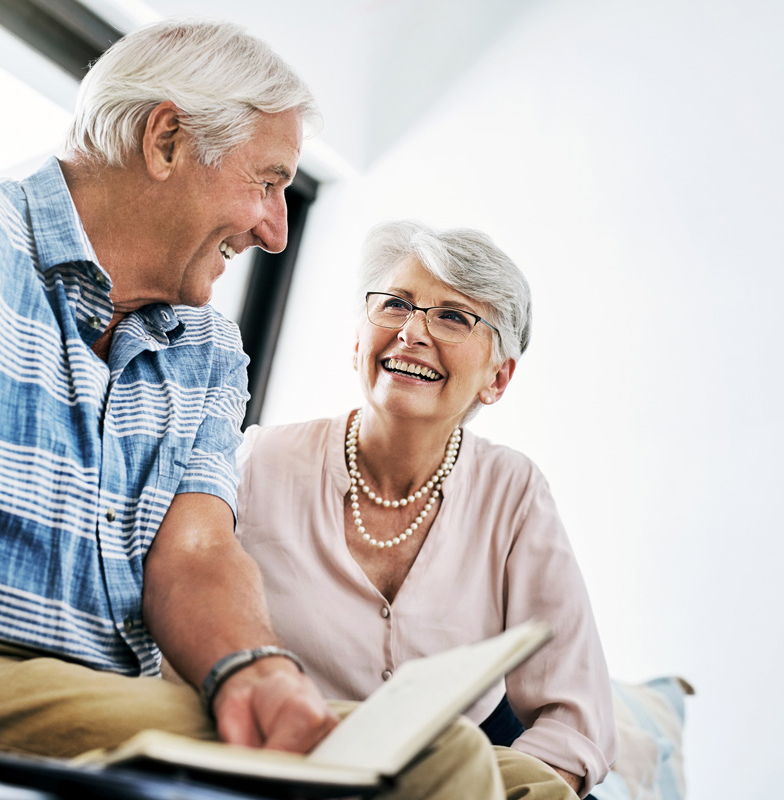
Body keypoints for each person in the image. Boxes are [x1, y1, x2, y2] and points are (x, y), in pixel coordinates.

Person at [0, 20, 506, 800]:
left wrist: (254, 667)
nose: (274, 231)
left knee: (521, 779)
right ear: (166, 141)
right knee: (435, 763)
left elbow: (196, 553)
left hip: (87, 689)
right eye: (267, 182)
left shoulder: (209, 348)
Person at [236, 220, 619, 798]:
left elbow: (576, 717)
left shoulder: (514, 490)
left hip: (450, 770)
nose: (412, 331)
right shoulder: (260, 461)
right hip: (288, 763)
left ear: (497, 378)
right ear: (358, 341)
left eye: (453, 317)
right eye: (395, 304)